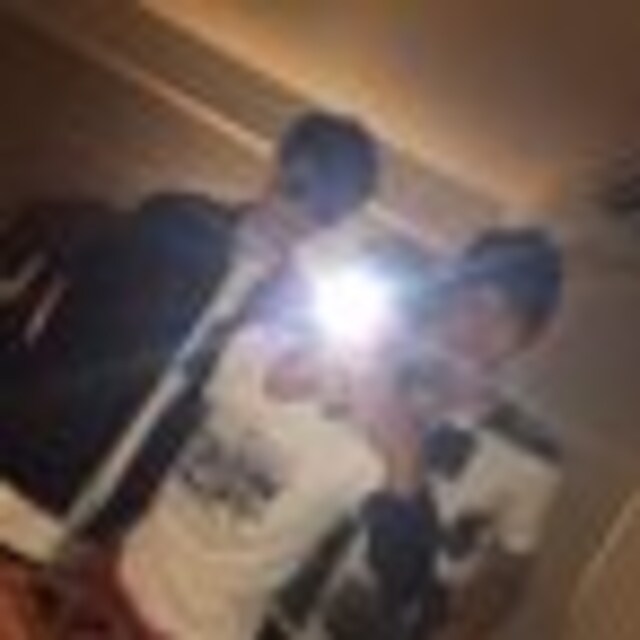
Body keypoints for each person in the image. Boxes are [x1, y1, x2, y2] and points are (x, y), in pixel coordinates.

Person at [0, 111, 378, 569]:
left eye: (325, 212)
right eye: (298, 188)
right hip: (24, 451)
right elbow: (62, 297)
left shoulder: (291, 307)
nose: (300, 216)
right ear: (279, 162)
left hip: (107, 514)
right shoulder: (176, 221)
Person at [295, 227, 565, 640]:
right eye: (471, 299)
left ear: (531, 335)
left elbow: (510, 571)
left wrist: (463, 630)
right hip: (270, 602)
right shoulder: (374, 373)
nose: (478, 325)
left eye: (506, 313)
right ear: (448, 295)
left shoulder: (531, 453)